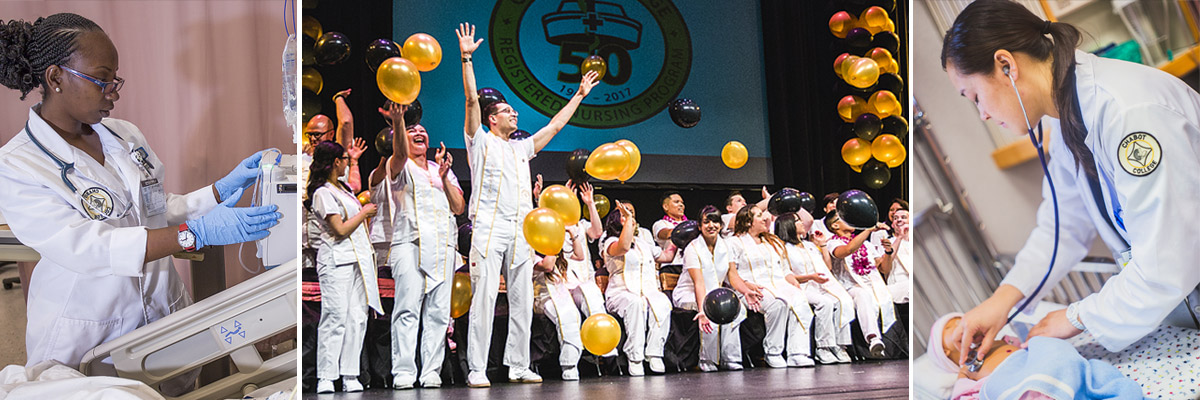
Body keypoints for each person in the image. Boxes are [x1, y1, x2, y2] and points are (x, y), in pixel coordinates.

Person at [0, 12, 281, 369]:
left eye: (115, 79)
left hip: (161, 314)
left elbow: (154, 208)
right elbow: (88, 247)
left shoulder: (123, 135)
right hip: (89, 333)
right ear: (56, 77)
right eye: (101, 80)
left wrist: (218, 191)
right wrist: (193, 235)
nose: (113, 91)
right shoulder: (17, 165)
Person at [941, 0, 1200, 363]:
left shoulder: (1129, 112)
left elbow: (1167, 262)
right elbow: (1064, 225)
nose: (982, 114)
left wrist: (1077, 315)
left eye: (976, 97)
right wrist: (1001, 302)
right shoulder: (1060, 118)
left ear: (1006, 65)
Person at [456, 22, 599, 387]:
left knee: (521, 299)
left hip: (520, 227)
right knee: (485, 297)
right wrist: (467, 58)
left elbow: (553, 127)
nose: (514, 114)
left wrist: (579, 95)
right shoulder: (479, 141)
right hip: (489, 224)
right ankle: (476, 368)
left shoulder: (521, 148)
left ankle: (518, 365)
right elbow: (472, 101)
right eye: (507, 111)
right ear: (493, 119)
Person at [380, 102, 464, 389]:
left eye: (423, 130)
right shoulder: (399, 166)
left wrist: (444, 178)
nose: (419, 132)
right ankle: (404, 371)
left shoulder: (439, 169)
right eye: (413, 129)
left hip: (443, 247)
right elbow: (400, 151)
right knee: (407, 309)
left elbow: (458, 206)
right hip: (410, 244)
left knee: (439, 312)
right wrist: (399, 121)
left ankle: (431, 371)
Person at [307, 141, 384, 393]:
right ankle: (326, 376)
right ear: (333, 162)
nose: (347, 162)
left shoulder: (345, 188)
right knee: (335, 316)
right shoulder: (322, 192)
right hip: (336, 260)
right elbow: (339, 229)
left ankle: (350, 373)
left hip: (358, 259)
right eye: (344, 159)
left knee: (357, 318)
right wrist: (363, 213)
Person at [673, 206, 760, 371]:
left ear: (720, 225)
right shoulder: (693, 248)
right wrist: (702, 309)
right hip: (689, 293)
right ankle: (708, 360)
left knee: (737, 309)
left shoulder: (726, 246)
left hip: (716, 293)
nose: (711, 225)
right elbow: (698, 282)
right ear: (699, 226)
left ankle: (730, 358)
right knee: (711, 310)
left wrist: (745, 291)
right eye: (706, 222)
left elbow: (733, 276)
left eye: (715, 221)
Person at [729, 206, 816, 368]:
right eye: (760, 216)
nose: (765, 219)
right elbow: (731, 273)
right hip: (752, 288)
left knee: (801, 302)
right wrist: (746, 286)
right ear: (748, 222)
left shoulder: (773, 241)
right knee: (778, 305)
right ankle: (773, 351)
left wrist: (793, 281)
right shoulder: (734, 243)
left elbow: (784, 269)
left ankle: (798, 352)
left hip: (779, 284)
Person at [602, 201, 678, 375]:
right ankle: (634, 356)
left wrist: (676, 239)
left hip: (647, 292)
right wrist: (628, 220)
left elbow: (666, 256)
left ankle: (654, 353)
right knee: (635, 303)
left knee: (663, 303)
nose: (630, 218)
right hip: (621, 293)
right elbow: (623, 247)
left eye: (631, 216)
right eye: (624, 216)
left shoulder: (644, 244)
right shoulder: (610, 242)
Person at [775, 212, 855, 364]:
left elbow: (827, 268)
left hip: (819, 286)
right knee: (825, 303)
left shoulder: (810, 245)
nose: (802, 223)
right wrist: (810, 277)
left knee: (843, 301)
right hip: (801, 287)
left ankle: (840, 345)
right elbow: (786, 276)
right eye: (798, 221)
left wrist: (823, 245)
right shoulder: (783, 248)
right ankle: (823, 347)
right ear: (789, 226)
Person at [824, 213, 894, 358]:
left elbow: (884, 269)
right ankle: (873, 338)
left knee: (880, 296)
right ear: (835, 225)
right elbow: (848, 250)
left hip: (872, 285)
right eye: (844, 219)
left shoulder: (866, 245)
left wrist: (888, 252)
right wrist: (868, 229)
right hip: (848, 287)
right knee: (862, 294)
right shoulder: (833, 243)